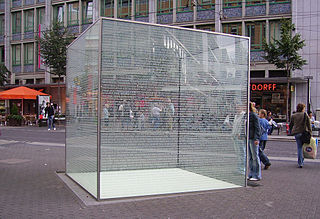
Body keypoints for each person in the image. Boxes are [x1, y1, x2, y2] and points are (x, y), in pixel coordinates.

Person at [289, 103, 312, 168]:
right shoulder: (305, 115)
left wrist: (290, 131)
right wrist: (310, 132)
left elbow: (291, 124)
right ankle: (302, 161)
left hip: (296, 133)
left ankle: (300, 162)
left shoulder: (294, 115)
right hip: (303, 132)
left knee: (299, 147)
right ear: (302, 108)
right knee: (303, 147)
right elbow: (309, 124)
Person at [248, 102, 261, 181]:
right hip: (249, 137)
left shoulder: (253, 115)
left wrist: (256, 138)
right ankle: (251, 173)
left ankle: (256, 175)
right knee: (250, 157)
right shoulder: (247, 115)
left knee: (254, 157)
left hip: (253, 137)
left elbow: (257, 127)